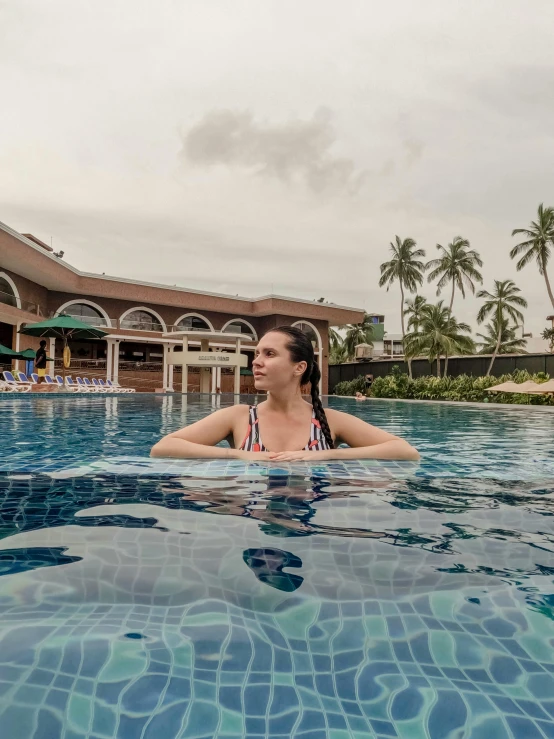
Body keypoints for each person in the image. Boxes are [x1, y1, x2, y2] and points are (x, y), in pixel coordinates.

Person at [151, 326, 419, 461]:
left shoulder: (329, 421)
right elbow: (163, 448)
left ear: (298, 367)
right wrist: (239, 455)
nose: (256, 361)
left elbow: (405, 451)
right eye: (256, 353)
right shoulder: (240, 417)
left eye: (269, 354)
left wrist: (327, 455)